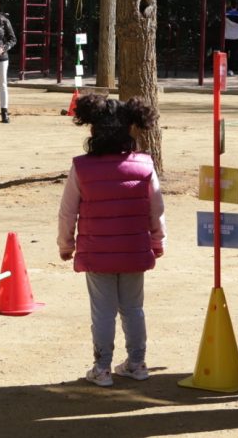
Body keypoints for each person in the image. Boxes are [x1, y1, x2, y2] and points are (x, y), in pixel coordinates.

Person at [57, 94, 166, 387]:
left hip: (97, 252)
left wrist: (66, 245)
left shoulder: (82, 167)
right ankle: (137, 363)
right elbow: (156, 209)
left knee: (102, 312)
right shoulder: (144, 165)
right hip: (134, 250)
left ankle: (102, 367)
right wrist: (158, 242)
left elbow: (67, 212)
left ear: (94, 130)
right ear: (130, 129)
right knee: (134, 308)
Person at [224, 1, 238, 74]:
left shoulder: (225, 14)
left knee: (225, 53)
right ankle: (230, 69)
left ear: (230, 6)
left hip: (227, 36)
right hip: (237, 36)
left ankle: (224, 67)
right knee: (233, 54)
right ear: (237, 6)